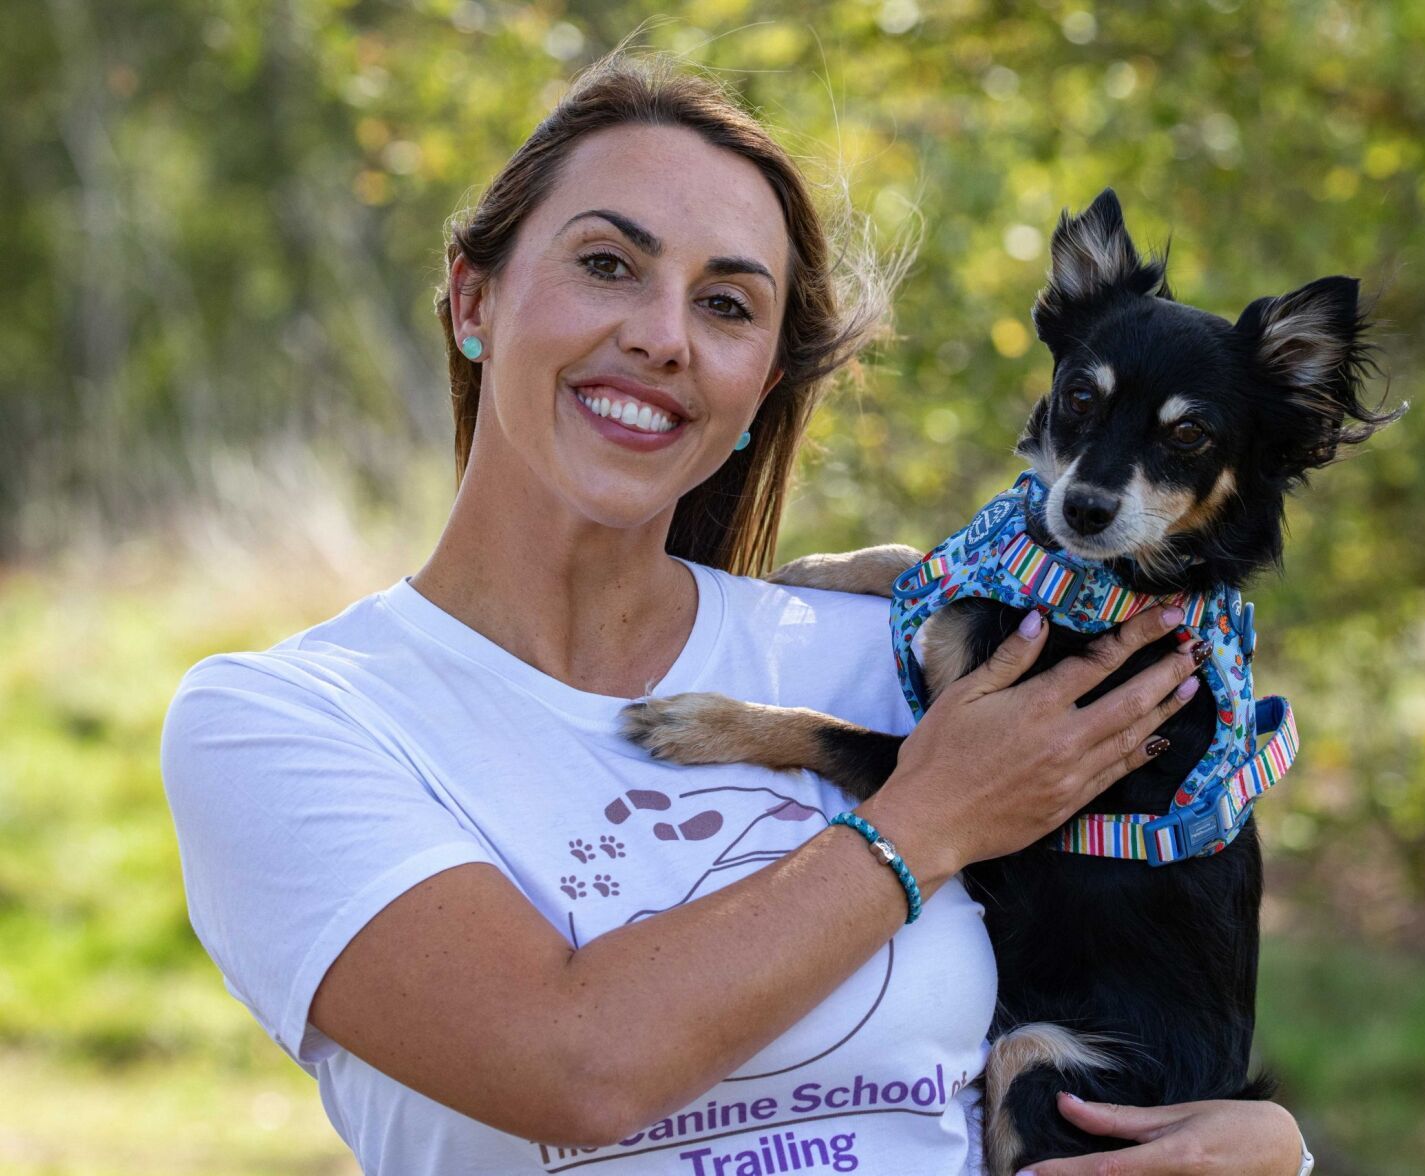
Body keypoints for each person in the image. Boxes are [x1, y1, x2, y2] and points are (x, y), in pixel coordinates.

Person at [161, 53, 1310, 1175]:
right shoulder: (286, 725)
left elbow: (1151, 959)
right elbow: (575, 1069)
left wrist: (1268, 1156)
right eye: (608, 264)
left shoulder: (904, 653)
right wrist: (930, 814)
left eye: (725, 303)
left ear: (762, 381)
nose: (664, 334)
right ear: (473, 298)